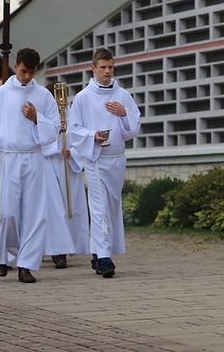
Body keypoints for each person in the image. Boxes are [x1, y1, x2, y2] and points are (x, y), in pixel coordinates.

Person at [0, 47, 61, 283]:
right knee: (5, 212)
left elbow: (54, 127)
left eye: (31, 73)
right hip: (8, 157)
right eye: (24, 72)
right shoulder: (1, 94)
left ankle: (26, 265)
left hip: (33, 157)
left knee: (34, 214)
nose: (27, 77)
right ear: (16, 67)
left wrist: (37, 118)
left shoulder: (43, 95)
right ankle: (1, 257)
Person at [68, 48, 140, 278]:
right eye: (103, 67)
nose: (107, 71)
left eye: (110, 67)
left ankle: (98, 253)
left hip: (117, 160)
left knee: (111, 208)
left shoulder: (123, 96)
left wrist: (123, 113)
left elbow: (132, 130)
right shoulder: (83, 98)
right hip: (96, 158)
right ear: (93, 68)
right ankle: (105, 258)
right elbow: (74, 130)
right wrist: (92, 136)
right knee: (98, 209)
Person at [43, 82, 90, 269]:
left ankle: (72, 246)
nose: (59, 101)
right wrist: (55, 137)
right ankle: (57, 251)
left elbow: (81, 136)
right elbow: (37, 139)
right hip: (50, 165)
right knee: (54, 209)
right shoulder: (43, 115)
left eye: (61, 97)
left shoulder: (73, 113)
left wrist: (73, 153)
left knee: (72, 207)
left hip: (69, 165)